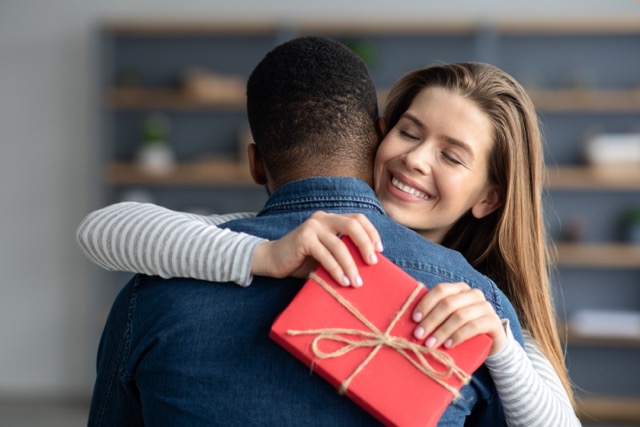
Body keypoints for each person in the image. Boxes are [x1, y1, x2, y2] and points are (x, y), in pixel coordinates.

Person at [79, 59, 581, 426]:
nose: (417, 160)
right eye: (409, 132)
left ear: (489, 198)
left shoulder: (481, 305)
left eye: (452, 156)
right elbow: (105, 229)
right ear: (374, 137)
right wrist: (264, 253)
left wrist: (501, 346)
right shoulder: (276, 241)